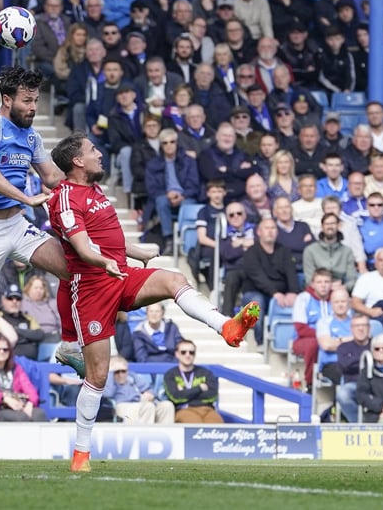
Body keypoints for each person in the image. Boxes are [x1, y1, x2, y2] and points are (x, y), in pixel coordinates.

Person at [48, 132, 258, 472]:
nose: (100, 154)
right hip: (91, 290)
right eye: (93, 150)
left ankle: (227, 327)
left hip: (120, 273)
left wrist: (137, 251)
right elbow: (83, 247)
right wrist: (104, 262)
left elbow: (108, 239)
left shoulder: (94, 190)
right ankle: (81, 454)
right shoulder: (66, 198)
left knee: (174, 278)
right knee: (99, 374)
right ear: (77, 161)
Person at [0, 67, 75, 437]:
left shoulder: (32, 136)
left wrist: (86, 188)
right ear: (7, 100)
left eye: (36, 100)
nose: (33, 107)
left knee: (73, 270)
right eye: (27, 101)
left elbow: (53, 178)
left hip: (16, 225)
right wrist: (28, 198)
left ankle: (70, 344)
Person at [240, 217, 299, 346]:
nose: (270, 231)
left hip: (279, 294)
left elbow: (291, 273)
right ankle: (260, 342)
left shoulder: (284, 251)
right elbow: (258, 277)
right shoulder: (251, 252)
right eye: (266, 228)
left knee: (298, 301)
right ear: (259, 232)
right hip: (254, 292)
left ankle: (288, 343)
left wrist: (293, 292)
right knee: (257, 303)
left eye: (273, 228)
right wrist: (275, 293)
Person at [0, 334, 46, 423]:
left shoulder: (16, 368)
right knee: (21, 417)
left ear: (10, 351)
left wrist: (30, 404)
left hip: (18, 404)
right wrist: (4, 398)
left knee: (39, 414)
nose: (1, 352)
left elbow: (30, 390)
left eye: (5, 349)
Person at [163, 339, 224, 424]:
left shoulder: (206, 373)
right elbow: (176, 397)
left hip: (208, 409)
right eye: (183, 352)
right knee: (195, 426)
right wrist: (200, 388)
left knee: (217, 426)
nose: (188, 355)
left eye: (191, 352)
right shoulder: (170, 374)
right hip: (184, 409)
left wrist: (185, 392)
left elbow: (212, 395)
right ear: (177, 354)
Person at [104, 355, 174, 424]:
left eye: (123, 371)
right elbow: (108, 394)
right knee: (148, 407)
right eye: (116, 372)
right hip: (122, 405)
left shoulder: (132, 377)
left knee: (167, 406)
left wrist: (149, 395)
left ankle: (166, 434)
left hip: (141, 403)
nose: (120, 374)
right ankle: (146, 435)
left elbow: (150, 389)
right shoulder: (108, 380)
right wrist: (110, 373)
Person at [334, 313, 372, 423]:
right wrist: (367, 360)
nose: (360, 329)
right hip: (354, 385)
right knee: (342, 394)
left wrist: (354, 362)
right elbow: (345, 366)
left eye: (364, 325)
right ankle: (359, 424)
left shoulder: (377, 345)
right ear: (351, 329)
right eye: (357, 326)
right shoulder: (343, 347)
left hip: (376, 384)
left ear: (369, 328)